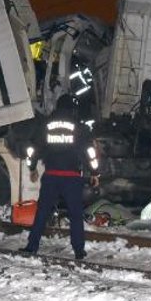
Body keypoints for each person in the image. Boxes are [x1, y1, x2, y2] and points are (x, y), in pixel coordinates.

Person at [20, 94, 100, 260]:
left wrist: (32, 168)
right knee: (75, 214)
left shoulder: (46, 125)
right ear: (72, 108)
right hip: (72, 178)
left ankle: (31, 246)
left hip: (51, 176)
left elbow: (33, 149)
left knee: (42, 212)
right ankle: (79, 250)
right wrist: (94, 173)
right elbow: (89, 153)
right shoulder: (79, 126)